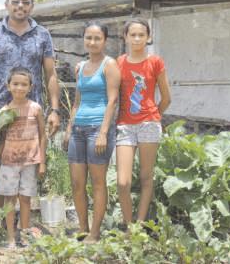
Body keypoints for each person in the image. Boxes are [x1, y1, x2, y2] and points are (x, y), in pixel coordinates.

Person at [0, 0, 61, 207]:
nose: (20, 6)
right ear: (6, 5)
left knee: (27, 165)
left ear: (31, 5)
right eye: (15, 1)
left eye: (25, 2)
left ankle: (22, 223)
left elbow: (51, 73)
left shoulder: (42, 34)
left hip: (31, 114)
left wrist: (54, 110)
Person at [63, 21, 120, 243]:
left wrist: (104, 132)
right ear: (84, 39)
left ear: (104, 40)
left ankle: (95, 233)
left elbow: (113, 100)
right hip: (78, 130)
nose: (92, 42)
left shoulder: (109, 64)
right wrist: (69, 127)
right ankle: (83, 228)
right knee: (77, 183)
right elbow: (77, 101)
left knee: (98, 183)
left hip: (98, 128)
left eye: (97, 38)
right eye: (89, 37)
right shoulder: (80, 68)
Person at [116, 18, 171, 226]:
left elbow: (166, 97)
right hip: (125, 126)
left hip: (149, 124)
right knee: (123, 182)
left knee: (146, 177)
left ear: (148, 37)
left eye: (141, 34)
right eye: (133, 34)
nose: (137, 38)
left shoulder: (155, 62)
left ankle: (139, 225)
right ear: (125, 37)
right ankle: (128, 224)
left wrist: (154, 115)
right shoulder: (119, 62)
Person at [0, 67, 47, 248]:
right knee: (10, 200)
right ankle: (10, 238)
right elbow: (0, 138)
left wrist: (42, 162)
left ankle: (25, 236)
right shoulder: (4, 111)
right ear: (8, 85)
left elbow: (42, 134)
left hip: (30, 162)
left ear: (30, 87)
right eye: (15, 84)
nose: (19, 87)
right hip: (9, 162)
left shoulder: (36, 108)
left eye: (24, 84)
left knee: (26, 199)